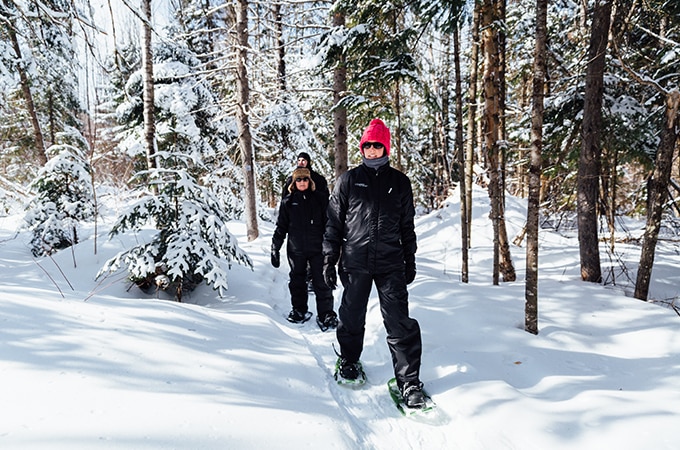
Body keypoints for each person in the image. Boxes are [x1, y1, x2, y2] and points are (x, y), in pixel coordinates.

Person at [322, 118, 425, 408]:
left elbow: (407, 225)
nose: (371, 151)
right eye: (367, 146)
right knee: (351, 316)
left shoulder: (400, 183)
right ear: (362, 148)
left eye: (376, 146)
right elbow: (333, 223)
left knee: (399, 322)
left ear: (385, 147)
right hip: (355, 261)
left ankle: (409, 382)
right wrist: (330, 259)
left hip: (391, 262)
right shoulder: (349, 180)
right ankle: (350, 361)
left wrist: (410, 257)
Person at [272, 167, 339, 331]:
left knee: (321, 281)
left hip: (318, 249)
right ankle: (299, 310)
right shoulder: (288, 202)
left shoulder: (320, 199)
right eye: (299, 180)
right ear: (294, 183)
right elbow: (281, 226)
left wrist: (333, 245)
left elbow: (330, 223)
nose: (302, 182)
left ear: (310, 181)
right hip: (296, 249)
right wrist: (275, 246)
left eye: (305, 179)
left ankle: (326, 314)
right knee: (297, 281)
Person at [281, 152, 330, 292]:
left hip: (316, 224)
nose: (301, 162)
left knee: (316, 262)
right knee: (298, 268)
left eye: (304, 160)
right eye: (299, 160)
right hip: (297, 228)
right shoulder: (291, 179)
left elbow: (326, 200)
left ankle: (314, 282)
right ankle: (301, 296)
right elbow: (285, 197)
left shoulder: (318, 179)